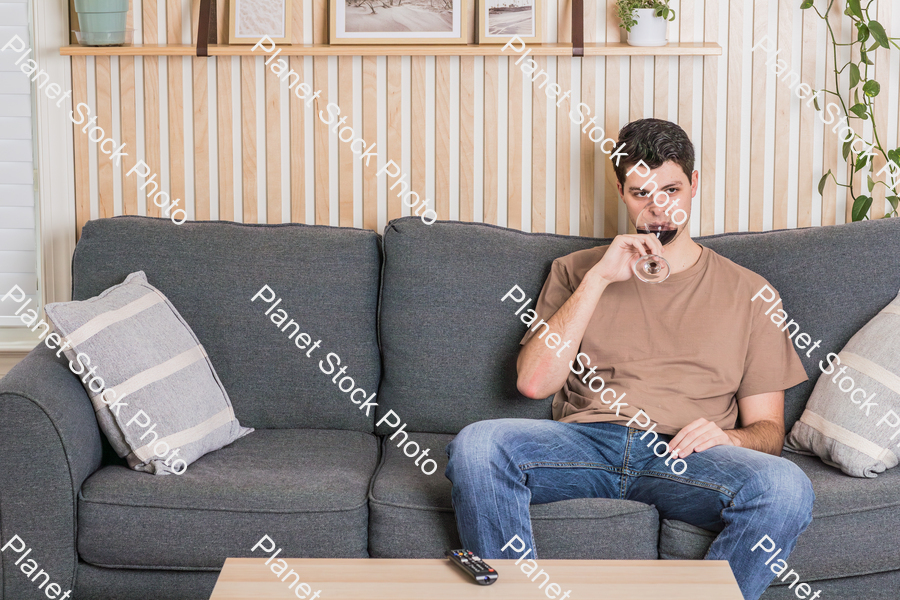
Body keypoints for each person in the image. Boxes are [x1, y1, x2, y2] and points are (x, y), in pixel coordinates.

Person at [445, 118, 813, 600]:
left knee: (787, 488)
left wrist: (726, 436)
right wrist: (598, 280)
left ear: (694, 185)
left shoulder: (751, 292)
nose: (658, 208)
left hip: (687, 458)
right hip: (586, 444)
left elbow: (769, 432)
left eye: (671, 190)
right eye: (641, 193)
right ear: (621, 192)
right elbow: (534, 384)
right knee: (478, 445)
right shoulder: (576, 270)